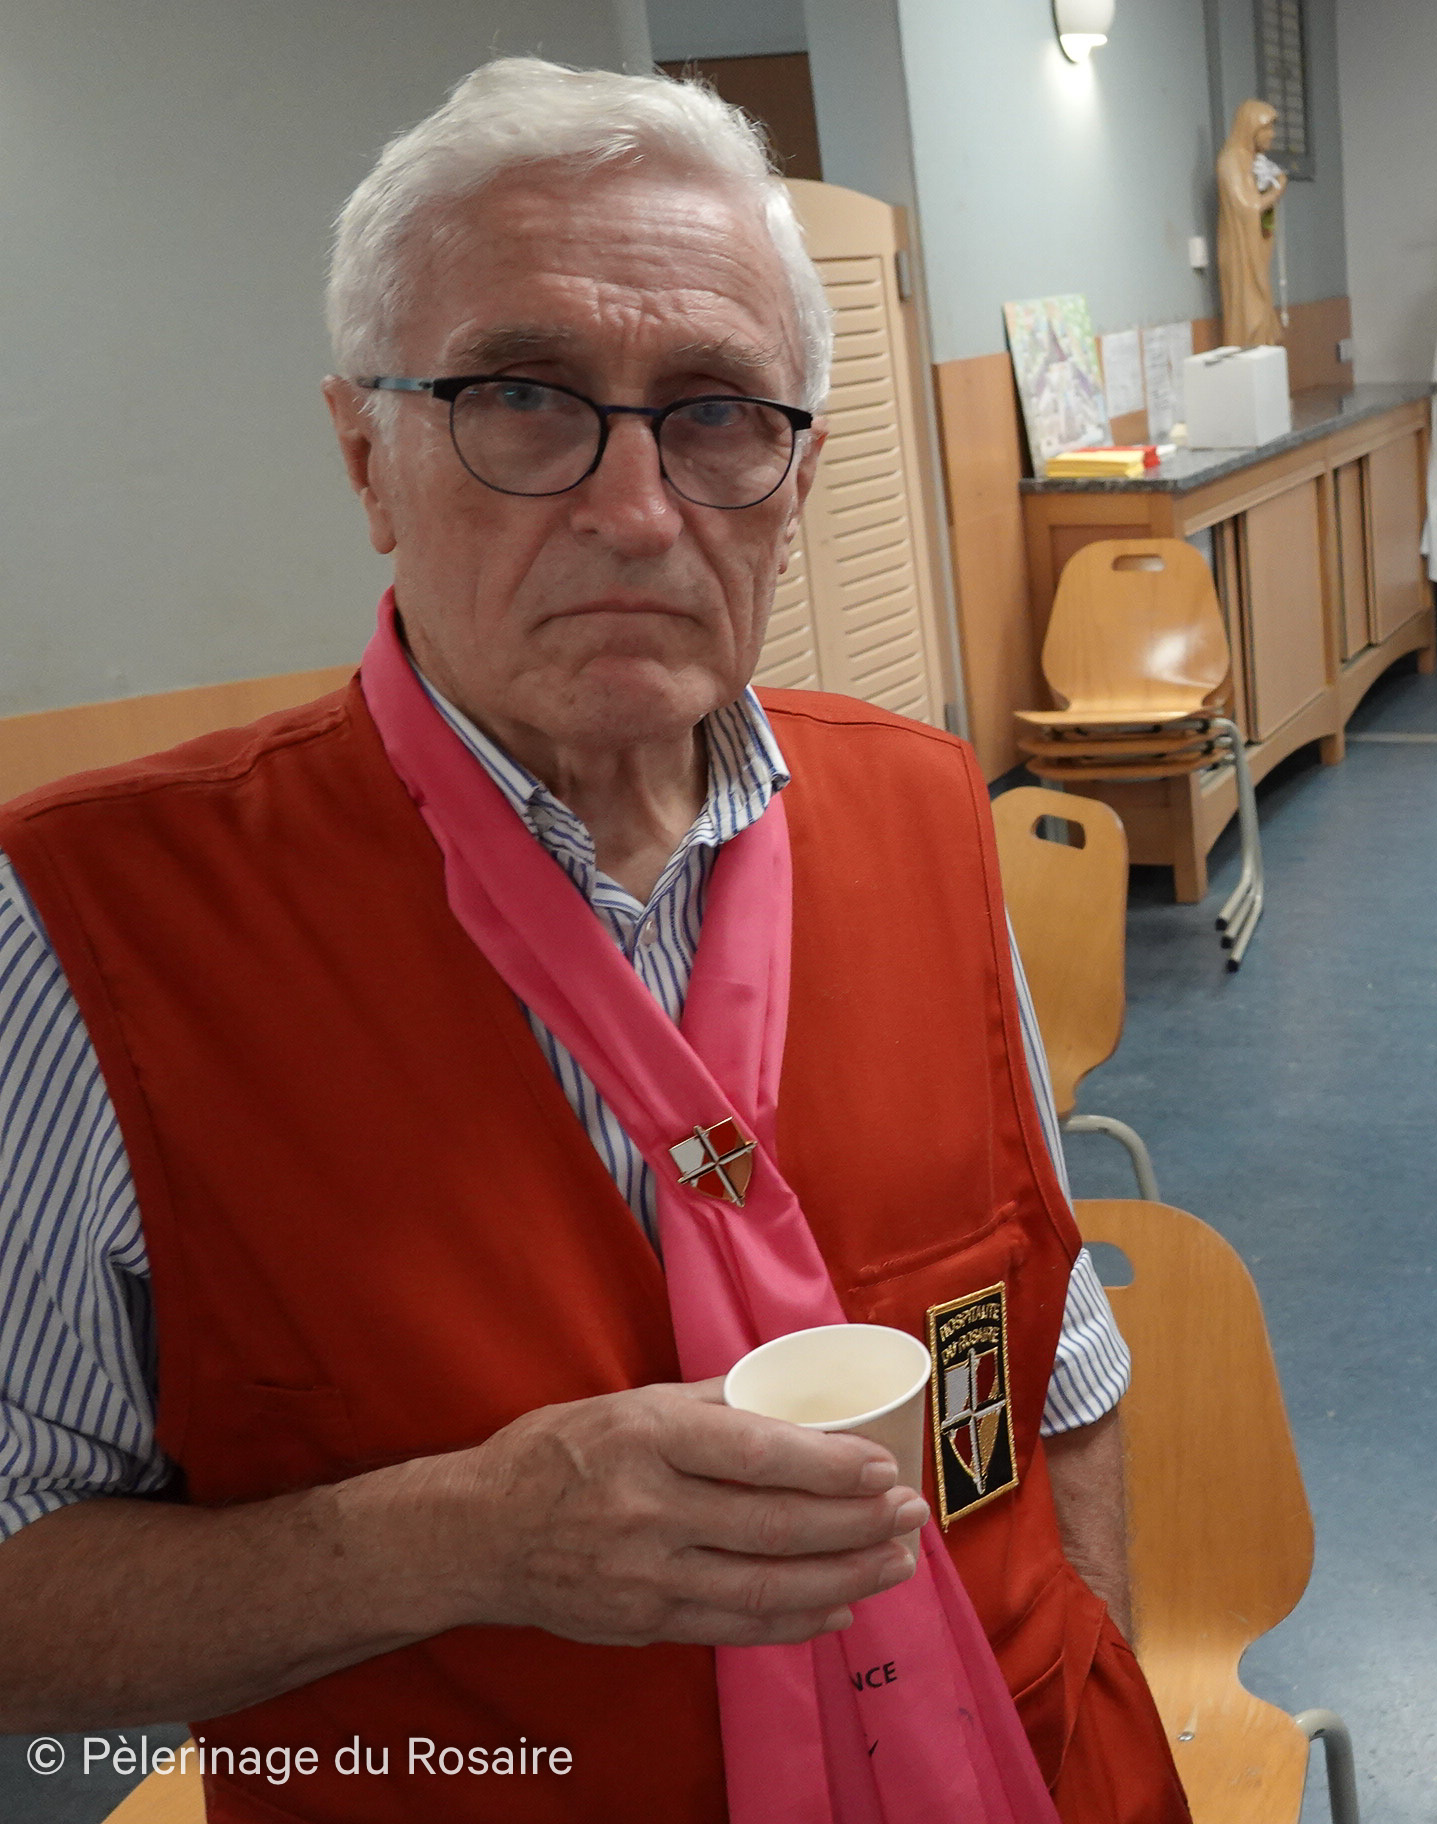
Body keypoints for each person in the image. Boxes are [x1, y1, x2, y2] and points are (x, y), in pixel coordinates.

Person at [0, 60, 1187, 1824]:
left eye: (716, 413)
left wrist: (1089, 1688)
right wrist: (452, 1541)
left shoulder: (927, 811)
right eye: (522, 396)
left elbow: (1048, 1343)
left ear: (798, 479)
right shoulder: (101, 930)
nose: (636, 510)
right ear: (366, 456)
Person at [1216, 99, 1287, 349]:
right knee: (1249, 317)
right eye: (1266, 128)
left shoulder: (1253, 161)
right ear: (1250, 128)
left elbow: (1261, 215)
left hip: (1255, 254)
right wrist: (1277, 190)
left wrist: (1268, 186)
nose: (1272, 135)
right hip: (1240, 256)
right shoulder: (1231, 160)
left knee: (1262, 315)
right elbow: (1248, 207)